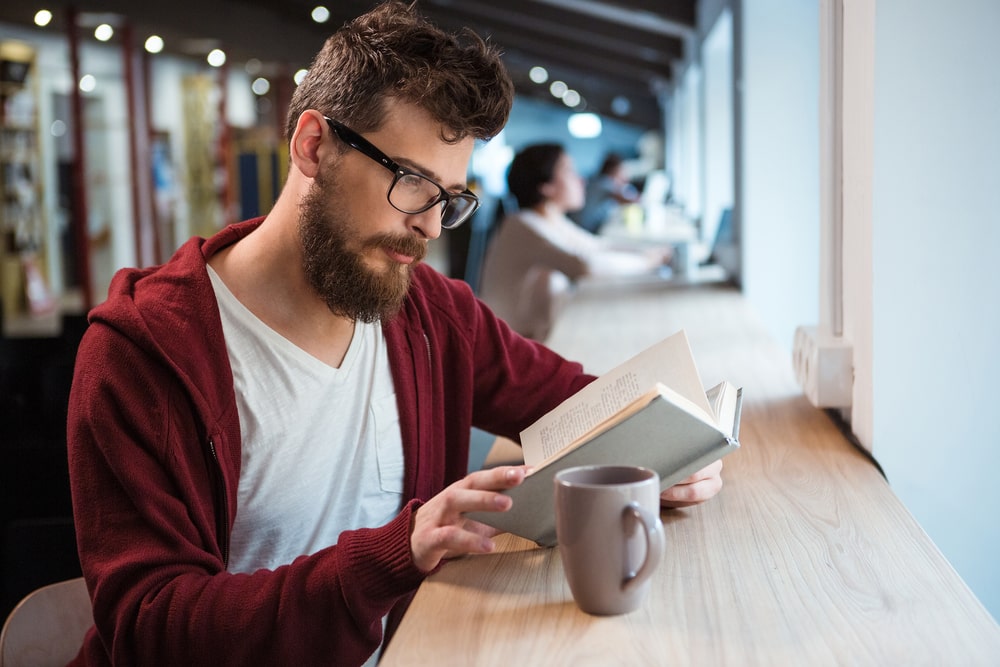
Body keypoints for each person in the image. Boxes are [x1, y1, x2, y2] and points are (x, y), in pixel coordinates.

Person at [66, 4, 722, 666]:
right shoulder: (142, 356)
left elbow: (572, 399)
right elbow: (151, 629)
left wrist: (667, 448)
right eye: (411, 182)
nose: (434, 228)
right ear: (313, 145)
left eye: (451, 199)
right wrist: (390, 557)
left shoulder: (427, 311)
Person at [479, 143, 672, 341]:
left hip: (537, 338)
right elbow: (584, 265)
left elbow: (599, 246)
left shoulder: (551, 219)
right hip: (515, 348)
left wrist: (650, 253)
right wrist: (649, 261)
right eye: (569, 171)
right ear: (546, 187)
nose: (580, 179)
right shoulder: (522, 224)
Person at [571, 152, 640, 233]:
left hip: (583, 226)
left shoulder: (597, 180)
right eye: (622, 170)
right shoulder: (604, 182)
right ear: (614, 169)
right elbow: (625, 199)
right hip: (586, 228)